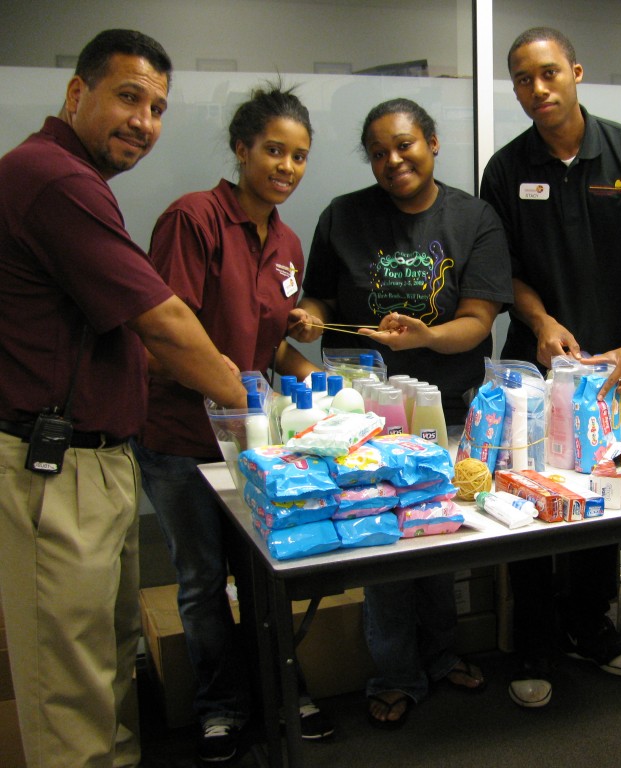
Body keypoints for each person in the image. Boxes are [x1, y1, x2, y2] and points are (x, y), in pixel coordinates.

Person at [0, 29, 249, 768]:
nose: (145, 121)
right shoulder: (54, 180)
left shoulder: (71, 179)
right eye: (128, 97)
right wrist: (256, 404)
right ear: (77, 93)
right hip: (56, 471)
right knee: (70, 691)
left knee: (103, 665)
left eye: (159, 107)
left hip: (100, 461)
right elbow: (167, 323)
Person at [480, 27, 621, 708]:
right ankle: (534, 638)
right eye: (520, 79)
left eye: (546, 74)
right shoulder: (507, 169)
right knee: (533, 499)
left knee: (603, 495)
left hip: (610, 367)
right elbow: (502, 272)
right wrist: (539, 324)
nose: (535, 90)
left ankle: (591, 626)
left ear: (575, 71)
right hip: (536, 369)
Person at [298, 98, 511, 728]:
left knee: (436, 533)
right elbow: (319, 297)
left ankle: (442, 656)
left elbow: (476, 323)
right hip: (362, 416)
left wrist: (424, 337)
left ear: (433, 143)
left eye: (405, 145)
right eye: (379, 152)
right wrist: (306, 316)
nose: (393, 161)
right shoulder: (344, 216)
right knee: (382, 542)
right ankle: (395, 671)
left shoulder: (473, 218)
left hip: (447, 410)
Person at [133, 83, 330, 762]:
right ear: (241, 149)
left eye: (299, 156)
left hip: (252, 442)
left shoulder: (287, 243)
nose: (286, 166)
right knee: (200, 578)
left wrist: (322, 378)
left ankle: (281, 691)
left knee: (265, 571)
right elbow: (169, 332)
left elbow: (265, 346)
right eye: (273, 150)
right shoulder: (192, 219)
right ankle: (220, 707)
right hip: (180, 439)